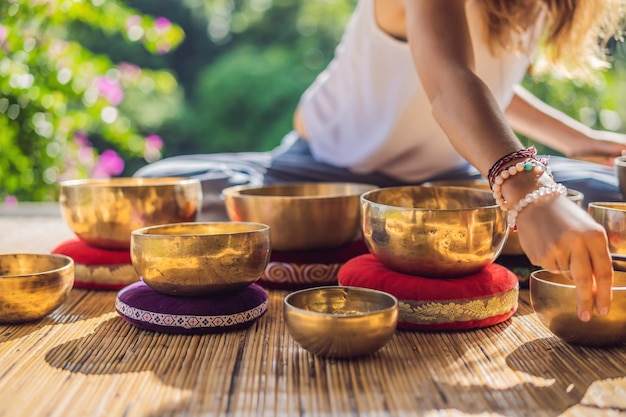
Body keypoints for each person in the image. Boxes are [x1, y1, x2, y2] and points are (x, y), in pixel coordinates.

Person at [135, 0, 626, 322]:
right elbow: (448, 80)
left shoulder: (540, 3)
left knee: (609, 193)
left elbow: (487, 84)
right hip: (322, 169)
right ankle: (395, 232)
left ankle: (370, 234)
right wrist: (530, 195)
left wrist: (577, 139)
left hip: (447, 176)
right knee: (156, 191)